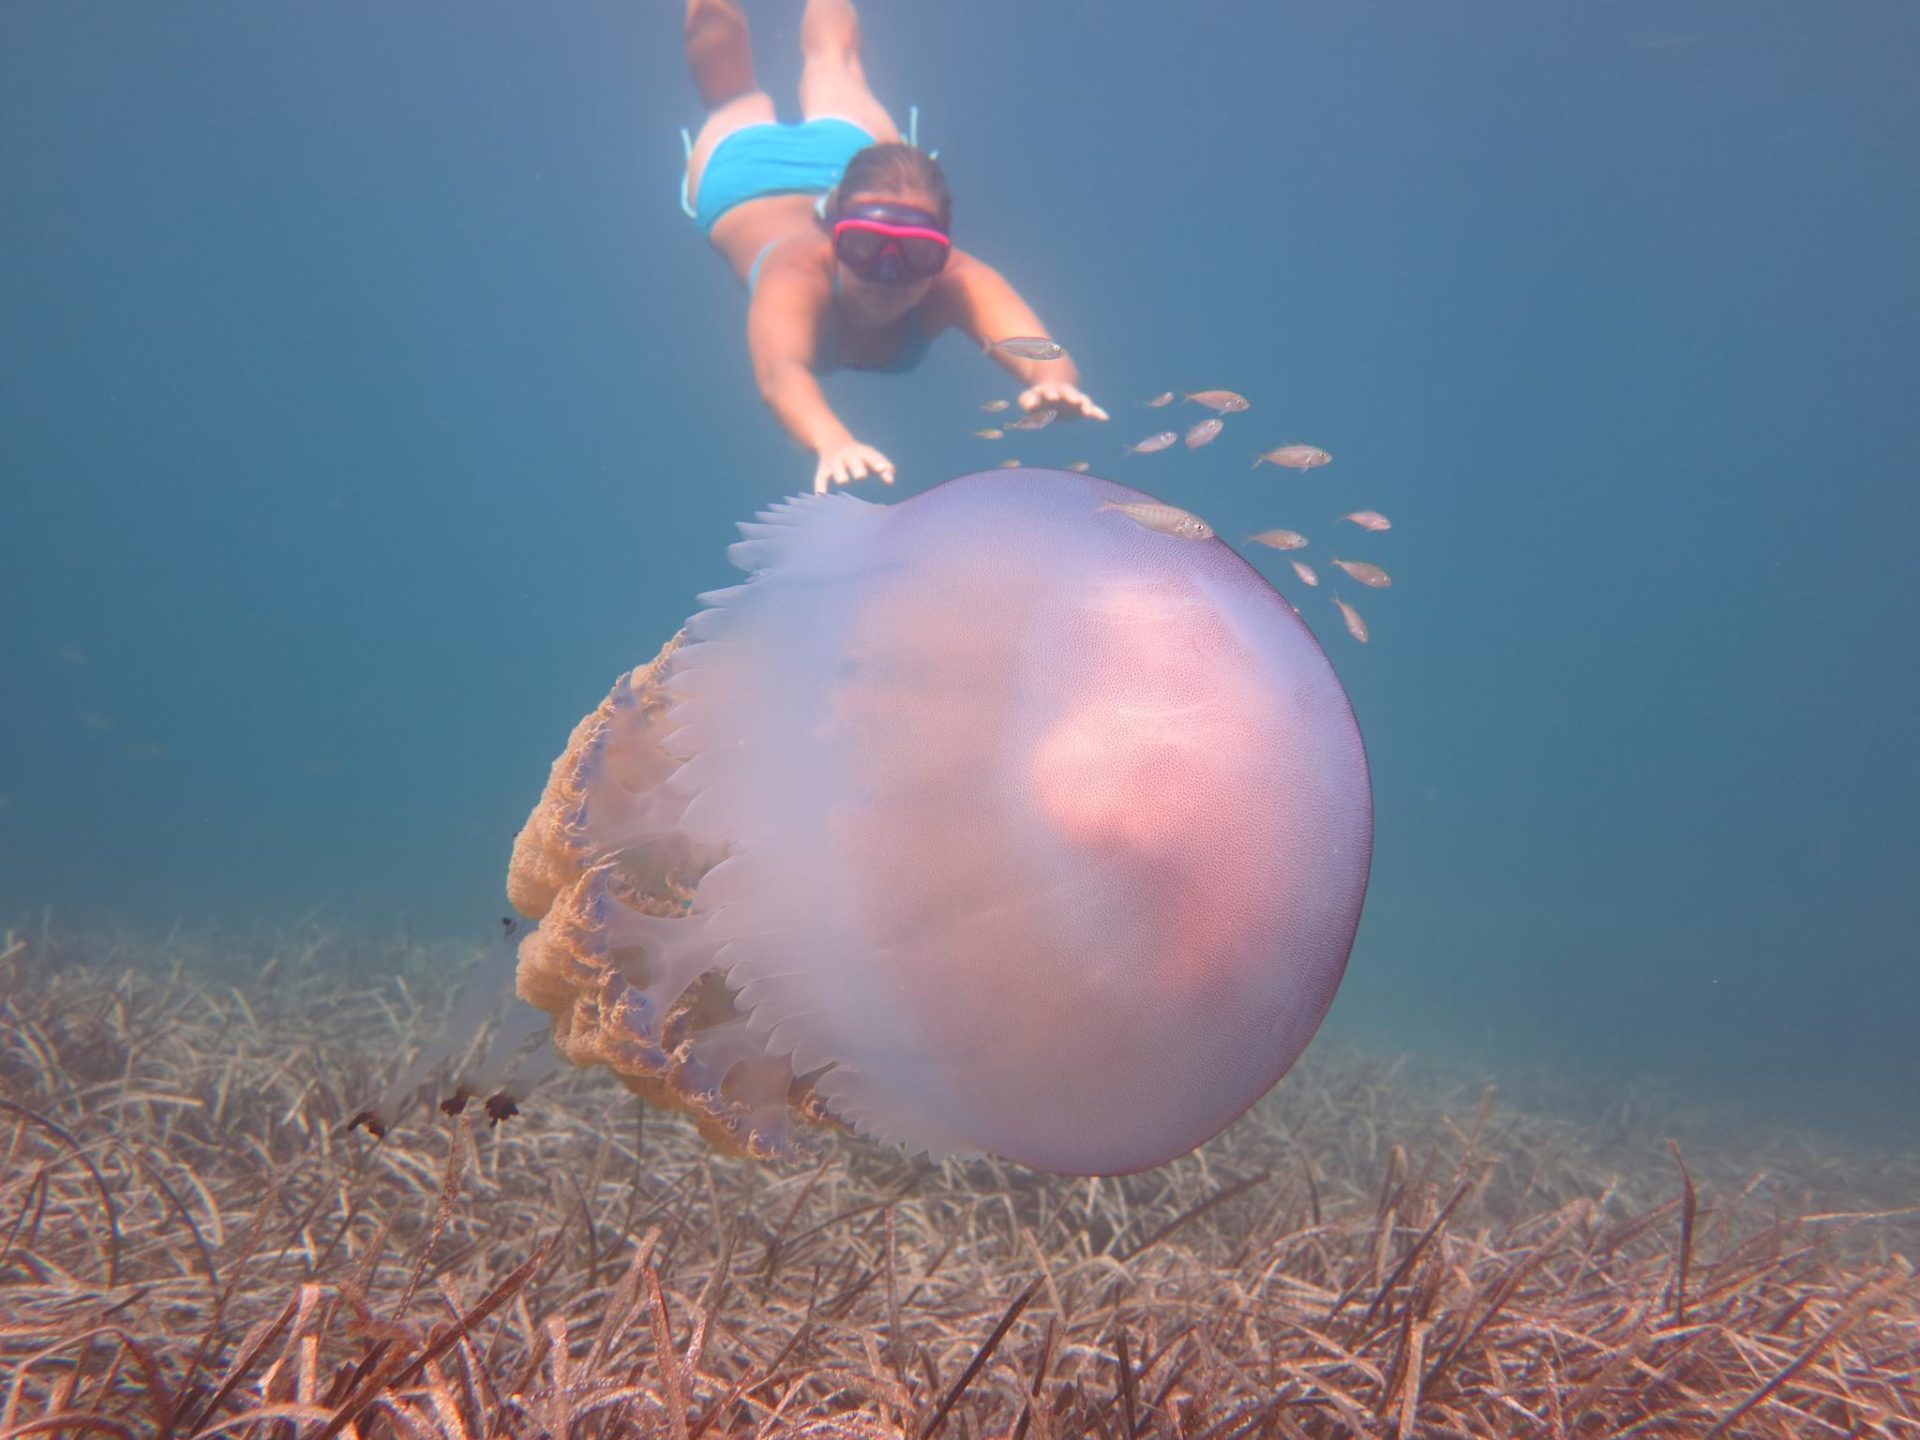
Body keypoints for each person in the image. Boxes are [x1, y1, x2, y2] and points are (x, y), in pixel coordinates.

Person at [682, 0, 1109, 494]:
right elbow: (781, 371)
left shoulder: (954, 280)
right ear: (833, 235)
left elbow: (1044, 350)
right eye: (865, 246)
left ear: (943, 252)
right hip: (743, 172)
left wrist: (1052, 380)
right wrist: (832, 442)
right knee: (737, 81)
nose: (887, 274)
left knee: (832, 63)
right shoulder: (796, 273)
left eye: (916, 253)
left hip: (825, 170)